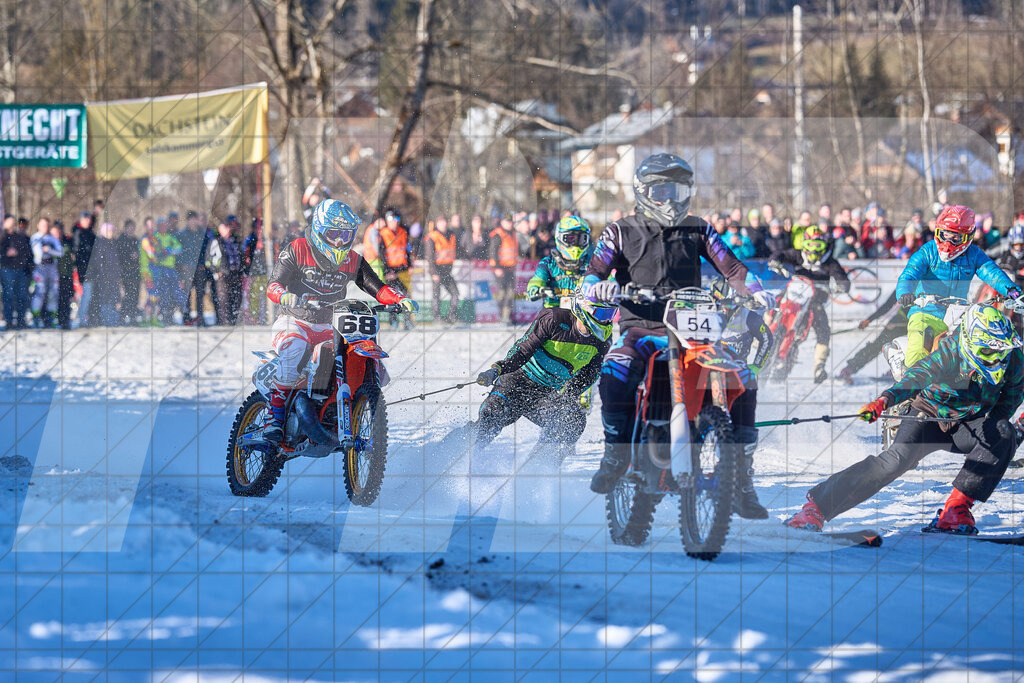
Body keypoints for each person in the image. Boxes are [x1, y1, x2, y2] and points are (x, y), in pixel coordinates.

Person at [583, 153, 777, 520]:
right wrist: (597, 288)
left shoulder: (699, 229)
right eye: (662, 191)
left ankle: (742, 478)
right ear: (643, 192)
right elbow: (594, 270)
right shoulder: (620, 230)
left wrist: (755, 290)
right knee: (616, 371)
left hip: (694, 329)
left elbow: (733, 268)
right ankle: (615, 453)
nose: (670, 199)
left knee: (743, 378)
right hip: (641, 327)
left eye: (677, 191)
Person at [787, 304, 1023, 536]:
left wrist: (992, 445)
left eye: (1002, 350)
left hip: (968, 425)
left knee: (1004, 432)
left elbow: (1007, 404)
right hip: (928, 416)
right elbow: (917, 376)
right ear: (971, 343)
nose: (999, 358)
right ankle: (816, 508)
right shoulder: (950, 353)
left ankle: (954, 510)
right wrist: (885, 400)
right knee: (894, 462)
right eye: (990, 351)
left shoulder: (1013, 360)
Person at [263, 199, 418, 443]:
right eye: (333, 234)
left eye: (345, 235)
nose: (339, 241)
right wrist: (284, 295)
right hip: (294, 322)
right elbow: (273, 285)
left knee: (356, 358)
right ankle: (274, 417)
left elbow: (377, 287)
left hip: (331, 326)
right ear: (319, 230)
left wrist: (399, 298)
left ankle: (343, 409)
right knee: (295, 350)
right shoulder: (297, 249)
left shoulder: (352, 259)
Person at [474, 286, 613, 454]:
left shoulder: (602, 342)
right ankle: (452, 454)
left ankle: (539, 465)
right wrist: (498, 369)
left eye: (611, 314)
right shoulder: (553, 318)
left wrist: (568, 397)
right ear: (584, 308)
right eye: (603, 314)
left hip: (545, 393)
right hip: (516, 381)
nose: (606, 321)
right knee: (488, 420)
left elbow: (588, 375)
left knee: (573, 420)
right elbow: (523, 350)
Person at [895, 205, 1019, 368]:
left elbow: (992, 273)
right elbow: (909, 275)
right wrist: (905, 293)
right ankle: (911, 380)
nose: (948, 242)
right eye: (944, 235)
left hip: (958, 315)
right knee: (918, 355)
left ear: (968, 236)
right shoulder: (928, 251)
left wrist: (1013, 292)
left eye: (955, 237)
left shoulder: (974, 255)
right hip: (925, 311)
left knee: (972, 357)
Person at [767, 227, 851, 383]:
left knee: (824, 330)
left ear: (824, 245)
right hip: (792, 295)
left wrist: (842, 286)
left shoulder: (830, 262)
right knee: (770, 303)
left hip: (814, 301)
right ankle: (761, 336)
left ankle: (819, 367)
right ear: (804, 244)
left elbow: (843, 279)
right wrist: (775, 261)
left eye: (818, 245)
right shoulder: (798, 255)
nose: (814, 250)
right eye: (810, 245)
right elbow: (781, 254)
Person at [836, 289, 908, 384]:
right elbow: (888, 305)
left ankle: (899, 370)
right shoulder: (906, 284)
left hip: (922, 323)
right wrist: (869, 320)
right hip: (900, 320)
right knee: (878, 345)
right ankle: (849, 369)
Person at [526, 215, 592, 309]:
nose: (575, 245)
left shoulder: (592, 264)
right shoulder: (548, 263)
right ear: (559, 237)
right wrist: (536, 289)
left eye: (581, 239)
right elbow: (538, 279)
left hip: (583, 312)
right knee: (550, 316)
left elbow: (607, 278)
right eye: (570, 239)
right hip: (553, 310)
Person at [141, 217, 191, 325]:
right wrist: (160, 254)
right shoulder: (152, 238)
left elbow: (179, 248)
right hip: (156, 269)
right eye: (160, 225)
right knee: (158, 294)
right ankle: (152, 318)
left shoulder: (170, 237)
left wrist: (169, 250)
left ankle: (176, 315)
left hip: (170, 268)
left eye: (164, 225)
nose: (163, 227)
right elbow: (153, 253)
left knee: (175, 291)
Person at [378, 209, 413, 328]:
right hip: (390, 271)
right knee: (391, 297)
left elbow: (407, 250)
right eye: (391, 219)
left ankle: (407, 321)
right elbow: (382, 255)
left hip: (402, 270)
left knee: (406, 295)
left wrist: (410, 265)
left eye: (396, 218)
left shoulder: (403, 232)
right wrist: (388, 271)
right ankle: (393, 321)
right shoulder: (383, 234)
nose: (394, 221)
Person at [206, 220, 245, 326]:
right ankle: (225, 322)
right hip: (222, 275)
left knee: (236, 298)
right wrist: (216, 271)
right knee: (224, 300)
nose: (228, 230)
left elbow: (240, 256)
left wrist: (241, 270)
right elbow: (209, 259)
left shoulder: (234, 240)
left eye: (228, 227)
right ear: (220, 230)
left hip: (235, 274)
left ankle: (234, 320)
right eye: (225, 228)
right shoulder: (216, 241)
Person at [424, 215, 460, 323]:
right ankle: (437, 317)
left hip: (447, 271)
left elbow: (458, 250)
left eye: (444, 222)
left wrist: (470, 258)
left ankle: (451, 316)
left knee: (455, 293)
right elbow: (429, 257)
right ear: (437, 224)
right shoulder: (432, 237)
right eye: (441, 222)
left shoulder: (451, 235)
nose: (443, 224)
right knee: (436, 295)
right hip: (437, 270)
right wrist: (434, 273)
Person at [0, 215, 32, 329]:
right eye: (10, 222)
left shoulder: (20, 237)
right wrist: (6, 253)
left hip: (20, 269)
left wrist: (18, 253)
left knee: (21, 296)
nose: (13, 224)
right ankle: (9, 321)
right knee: (8, 295)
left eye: (14, 222)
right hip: (7, 268)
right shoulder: (2, 236)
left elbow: (26, 251)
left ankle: (20, 320)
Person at [29, 218, 62, 328]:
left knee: (53, 293)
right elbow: (38, 253)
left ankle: (52, 318)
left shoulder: (52, 238)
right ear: (38, 225)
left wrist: (49, 250)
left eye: (47, 225)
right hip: (40, 268)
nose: (45, 227)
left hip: (52, 268)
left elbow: (60, 252)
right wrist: (48, 252)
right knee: (40, 293)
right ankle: (36, 318)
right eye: (43, 225)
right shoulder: (35, 237)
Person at [89, 222, 123, 326]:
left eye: (112, 231)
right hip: (104, 277)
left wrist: (118, 272)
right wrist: (103, 274)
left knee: (115, 299)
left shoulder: (114, 243)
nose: (111, 233)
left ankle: (114, 320)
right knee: (105, 299)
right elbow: (99, 261)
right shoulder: (100, 243)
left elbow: (117, 260)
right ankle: (105, 320)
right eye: (108, 231)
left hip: (114, 276)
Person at [489, 214, 519, 323]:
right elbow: (492, 252)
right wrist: (496, 268)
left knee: (510, 293)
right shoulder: (498, 234)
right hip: (500, 269)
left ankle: (506, 316)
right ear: (502, 222)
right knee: (501, 293)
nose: (510, 223)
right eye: (507, 221)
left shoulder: (513, 233)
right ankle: (500, 315)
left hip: (510, 269)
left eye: (511, 221)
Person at [243, 218, 270, 325]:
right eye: (257, 228)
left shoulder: (265, 239)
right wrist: (248, 270)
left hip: (264, 272)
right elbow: (246, 256)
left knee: (264, 295)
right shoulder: (250, 239)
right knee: (254, 296)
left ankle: (264, 316)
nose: (259, 230)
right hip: (253, 273)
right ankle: (254, 317)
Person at [72, 211, 96, 326]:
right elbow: (77, 250)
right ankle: (81, 318)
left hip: (90, 268)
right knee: (84, 294)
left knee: (88, 294)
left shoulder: (90, 233)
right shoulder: (78, 232)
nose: (87, 221)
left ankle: (84, 317)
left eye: (88, 219)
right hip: (82, 268)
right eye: (85, 219)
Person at [116, 220, 141, 325]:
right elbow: (118, 256)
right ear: (125, 228)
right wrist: (129, 256)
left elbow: (140, 252)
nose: (131, 229)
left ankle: (133, 316)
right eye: (129, 227)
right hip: (125, 272)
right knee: (127, 295)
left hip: (135, 272)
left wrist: (137, 255)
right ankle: (123, 316)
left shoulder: (136, 240)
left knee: (135, 294)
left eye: (133, 227)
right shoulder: (120, 240)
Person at [52, 222, 75, 329]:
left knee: (65, 299)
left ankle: (65, 320)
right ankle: (51, 320)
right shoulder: (49, 243)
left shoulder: (67, 242)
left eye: (59, 231)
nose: (58, 234)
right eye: (55, 232)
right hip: (53, 276)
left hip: (66, 275)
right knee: (52, 300)